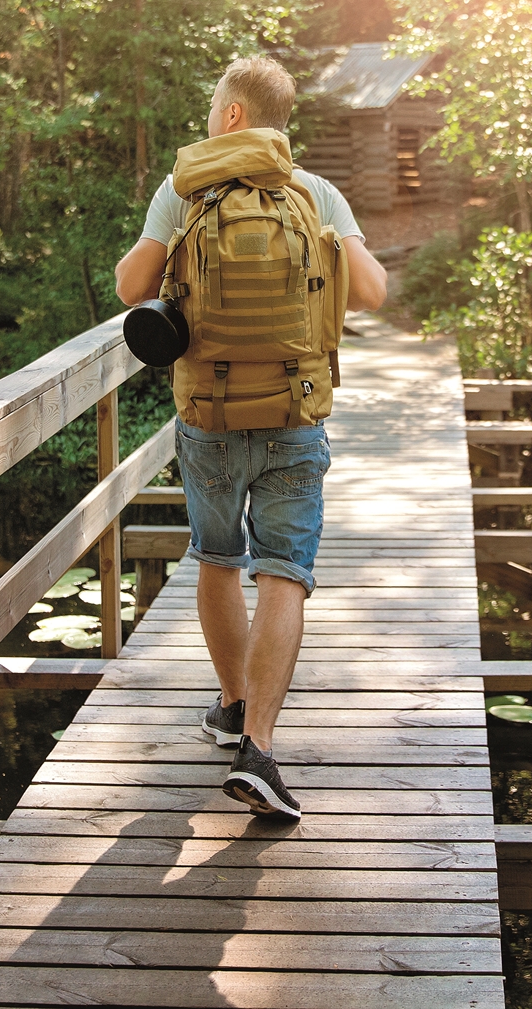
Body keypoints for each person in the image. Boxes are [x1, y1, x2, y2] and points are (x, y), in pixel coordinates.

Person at [114, 57, 389, 821]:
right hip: (296, 412)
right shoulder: (317, 191)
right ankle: (258, 747)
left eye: (213, 105)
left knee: (217, 559)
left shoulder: (186, 188)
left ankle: (232, 703)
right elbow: (371, 291)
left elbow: (130, 288)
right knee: (283, 572)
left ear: (233, 114)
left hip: (208, 417)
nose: (209, 117)